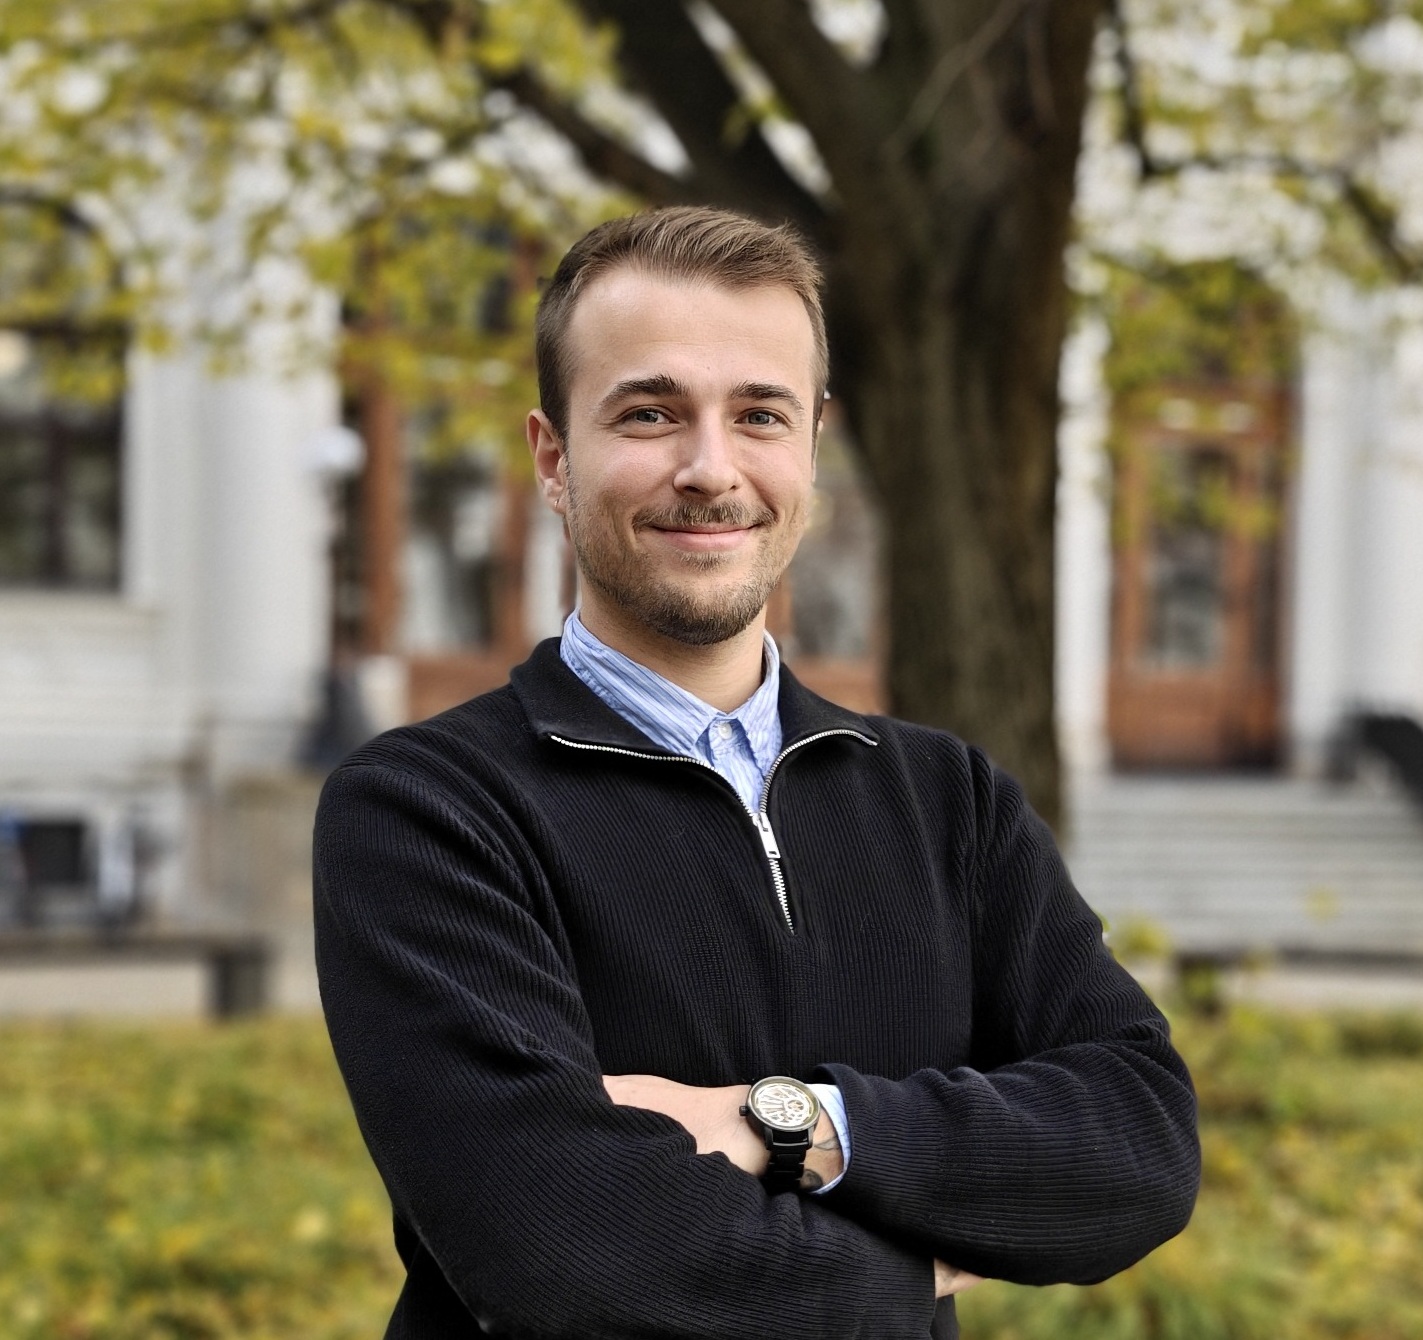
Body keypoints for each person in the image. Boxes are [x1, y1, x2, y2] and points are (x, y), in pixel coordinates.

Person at [314, 206, 1200, 1340]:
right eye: (649, 411)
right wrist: (919, 1259)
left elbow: (1140, 1142)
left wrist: (782, 1120)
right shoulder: (426, 809)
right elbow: (561, 1251)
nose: (710, 467)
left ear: (812, 447)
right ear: (552, 455)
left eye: (759, 414)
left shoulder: (948, 800)